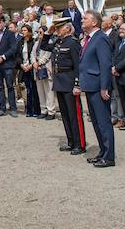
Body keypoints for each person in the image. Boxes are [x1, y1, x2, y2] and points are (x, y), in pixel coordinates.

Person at [77, 10, 114, 168]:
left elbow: (105, 64)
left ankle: (109, 156)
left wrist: (104, 87)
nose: (82, 21)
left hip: (98, 86)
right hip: (90, 85)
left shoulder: (100, 38)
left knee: (103, 122)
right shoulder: (90, 39)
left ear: (94, 22)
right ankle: (102, 152)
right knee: (97, 123)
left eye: (85, 19)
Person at [52, 18, 86, 155]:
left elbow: (78, 66)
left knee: (74, 115)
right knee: (65, 115)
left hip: (70, 81)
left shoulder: (73, 43)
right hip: (60, 81)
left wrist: (77, 84)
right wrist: (48, 34)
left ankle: (79, 144)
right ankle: (71, 141)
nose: (57, 30)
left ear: (67, 28)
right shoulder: (58, 42)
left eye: (59, 28)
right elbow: (45, 46)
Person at [34, 25, 57, 120]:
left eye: (40, 32)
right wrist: (34, 62)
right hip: (37, 68)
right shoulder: (36, 43)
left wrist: (40, 62)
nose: (39, 34)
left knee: (48, 91)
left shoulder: (50, 41)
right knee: (40, 91)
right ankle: (43, 110)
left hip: (46, 68)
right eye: (38, 32)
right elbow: (32, 53)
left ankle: (51, 111)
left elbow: (47, 54)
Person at [18, 25, 40, 117]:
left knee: (34, 89)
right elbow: (17, 56)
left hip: (32, 68)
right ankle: (28, 109)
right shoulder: (20, 42)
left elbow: (35, 55)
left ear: (29, 32)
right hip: (23, 68)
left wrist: (31, 65)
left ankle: (36, 110)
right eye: (22, 30)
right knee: (27, 90)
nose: (23, 32)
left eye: (25, 30)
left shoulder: (34, 42)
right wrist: (21, 65)